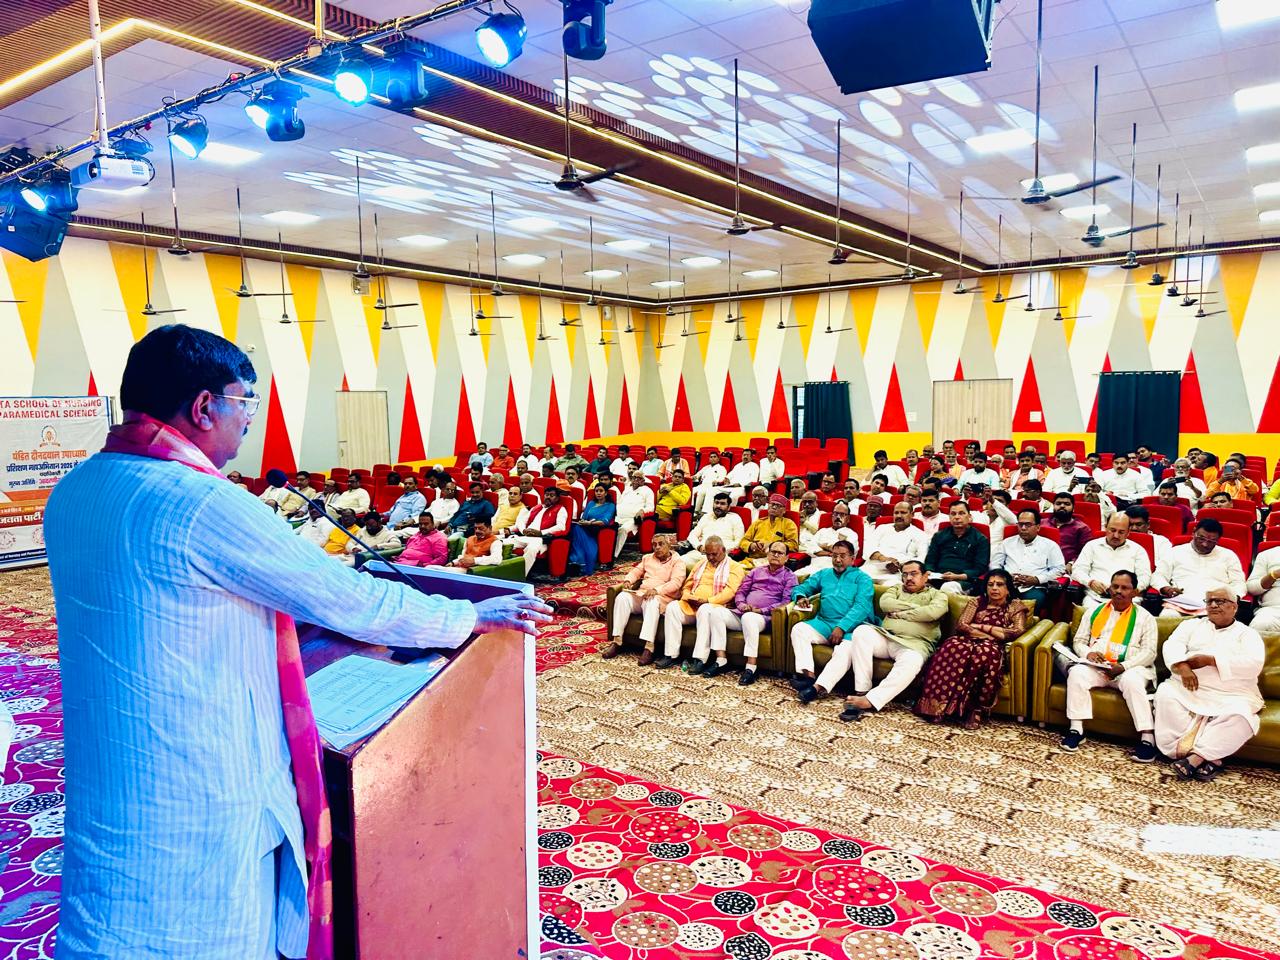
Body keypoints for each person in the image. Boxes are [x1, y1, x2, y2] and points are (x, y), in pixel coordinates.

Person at [42, 324, 551, 959]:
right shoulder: (198, 502)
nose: (249, 418)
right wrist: (463, 618)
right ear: (204, 407)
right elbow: (346, 597)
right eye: (245, 401)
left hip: (113, 767)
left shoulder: (78, 489)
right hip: (199, 787)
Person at [811, 560, 949, 720]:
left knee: (913, 661)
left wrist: (900, 613)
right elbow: (885, 604)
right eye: (905, 574)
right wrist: (917, 610)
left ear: (925, 576)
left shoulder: (938, 595)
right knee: (861, 631)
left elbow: (932, 613)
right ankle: (862, 690)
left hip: (914, 645)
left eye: (914, 574)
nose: (908, 578)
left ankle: (871, 700)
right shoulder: (896, 589)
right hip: (886, 636)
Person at [1155, 587, 1265, 780]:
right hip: (1188, 689)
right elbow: (1172, 645)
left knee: (1242, 717)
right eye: (1209, 601)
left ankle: (1196, 758)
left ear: (1234, 607)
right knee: (1165, 693)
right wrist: (1182, 666)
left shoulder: (1248, 634)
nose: (1213, 605)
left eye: (1220, 601)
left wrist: (1211, 660)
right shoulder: (1191, 625)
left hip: (1231, 694)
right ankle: (1210, 759)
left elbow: (1253, 664)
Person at [1059, 570, 1159, 760]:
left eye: (1125, 588)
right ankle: (1076, 729)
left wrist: (1124, 666)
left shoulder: (1145, 618)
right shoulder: (1094, 611)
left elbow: (1149, 653)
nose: (1119, 591)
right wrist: (1088, 653)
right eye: (1115, 586)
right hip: (1099, 667)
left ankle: (1147, 738)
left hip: (1129, 669)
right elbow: (1079, 641)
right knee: (1078, 672)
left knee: (1132, 681)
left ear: (1134, 592)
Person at [915, 569, 1027, 729]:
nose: (994, 588)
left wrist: (981, 627)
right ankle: (936, 706)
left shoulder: (1015, 606)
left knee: (983, 653)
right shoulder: (977, 602)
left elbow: (1015, 631)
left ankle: (974, 710)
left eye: (999, 584)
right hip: (967, 640)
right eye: (990, 585)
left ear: (1008, 588)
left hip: (992, 646)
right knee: (952, 646)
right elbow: (962, 625)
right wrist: (993, 633)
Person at [690, 541, 796, 683]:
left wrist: (760, 610)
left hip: (765, 618)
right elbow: (741, 591)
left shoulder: (790, 577)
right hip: (743, 613)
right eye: (773, 552)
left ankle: (751, 667)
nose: (776, 555)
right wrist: (741, 604)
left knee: (749, 618)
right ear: (767, 554)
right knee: (716, 613)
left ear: (787, 558)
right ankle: (721, 660)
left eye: (780, 553)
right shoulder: (756, 571)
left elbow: (786, 602)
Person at [790, 540, 874, 695]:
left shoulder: (863, 579)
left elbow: (862, 607)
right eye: (834, 556)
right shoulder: (824, 574)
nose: (838, 560)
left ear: (852, 558)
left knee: (846, 650)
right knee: (799, 629)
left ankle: (819, 687)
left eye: (842, 556)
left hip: (852, 629)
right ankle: (807, 676)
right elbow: (802, 587)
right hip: (824, 623)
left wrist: (841, 627)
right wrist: (800, 596)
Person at [660, 537, 744, 670]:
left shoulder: (735, 567)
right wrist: (688, 596)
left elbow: (730, 592)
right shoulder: (700, 564)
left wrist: (708, 601)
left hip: (715, 607)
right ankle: (671, 654)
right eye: (707, 554)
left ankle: (700, 659)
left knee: (705, 609)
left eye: (714, 554)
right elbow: (687, 585)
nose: (710, 558)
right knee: (672, 607)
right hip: (692, 605)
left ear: (723, 550)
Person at [602, 535, 687, 663]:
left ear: (669, 545)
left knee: (651, 601)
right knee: (622, 597)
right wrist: (628, 580)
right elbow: (636, 571)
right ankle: (617, 641)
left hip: (661, 597)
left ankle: (649, 648)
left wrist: (656, 590)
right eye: (654, 545)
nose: (657, 547)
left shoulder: (678, 562)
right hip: (642, 594)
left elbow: (676, 583)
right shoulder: (647, 558)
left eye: (661, 544)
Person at [1152, 518, 1245, 617]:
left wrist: (1231, 599)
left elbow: (1239, 583)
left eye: (1211, 541)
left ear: (1218, 540)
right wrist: (1166, 589)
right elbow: (1158, 576)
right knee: (1167, 616)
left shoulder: (1228, 555)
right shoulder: (1175, 552)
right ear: (1194, 532)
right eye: (1201, 538)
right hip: (1181, 601)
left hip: (1216, 604)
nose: (1205, 544)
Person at [1072, 514, 1152, 610]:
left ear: (1128, 532)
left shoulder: (1138, 550)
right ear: (1105, 527)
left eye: (1121, 532)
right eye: (1112, 530)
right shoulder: (1092, 546)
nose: (1116, 536)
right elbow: (1078, 570)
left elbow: (1145, 576)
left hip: (1128, 600)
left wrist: (1133, 590)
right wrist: (1090, 582)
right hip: (1095, 598)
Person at [993, 509, 1065, 608]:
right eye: (1020, 524)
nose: (1023, 528)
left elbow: (1059, 569)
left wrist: (1037, 579)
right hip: (1006, 584)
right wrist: (1005, 576)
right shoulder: (1007, 543)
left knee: (1033, 602)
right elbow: (995, 564)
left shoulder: (1050, 545)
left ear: (1038, 527)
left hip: (1034, 587)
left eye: (1028, 525)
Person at [925, 502, 989, 594]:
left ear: (969, 517)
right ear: (949, 517)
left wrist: (957, 576)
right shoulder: (939, 536)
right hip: (938, 577)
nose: (957, 517)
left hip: (964, 581)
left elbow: (980, 568)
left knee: (947, 588)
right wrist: (929, 572)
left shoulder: (980, 539)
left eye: (961, 513)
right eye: (953, 514)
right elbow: (930, 560)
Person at [508, 485, 570, 576]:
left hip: (540, 539)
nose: (548, 497)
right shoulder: (536, 508)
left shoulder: (560, 509)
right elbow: (521, 521)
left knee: (531, 549)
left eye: (552, 495)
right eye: (546, 495)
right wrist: (523, 530)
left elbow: (561, 527)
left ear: (557, 498)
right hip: (526, 536)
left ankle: (520, 576)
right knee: (502, 543)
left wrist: (541, 532)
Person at [862, 501, 928, 585]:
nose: (899, 516)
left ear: (912, 514)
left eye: (903, 513)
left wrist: (901, 566)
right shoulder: (882, 528)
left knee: (892, 587)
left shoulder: (920, 534)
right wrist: (884, 558)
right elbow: (868, 548)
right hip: (872, 567)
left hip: (896, 574)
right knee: (852, 579)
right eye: (896, 513)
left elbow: (923, 558)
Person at [681, 492, 746, 567]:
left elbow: (739, 542)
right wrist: (699, 546)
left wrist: (718, 550)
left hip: (721, 557)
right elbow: (692, 535)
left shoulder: (735, 518)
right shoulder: (706, 517)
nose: (718, 506)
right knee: (679, 562)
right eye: (716, 503)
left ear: (728, 507)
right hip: (701, 554)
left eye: (722, 504)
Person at [568, 484, 617, 576]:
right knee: (573, 526)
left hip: (596, 529)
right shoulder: (591, 503)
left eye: (601, 491)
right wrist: (583, 522)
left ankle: (580, 562)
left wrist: (590, 523)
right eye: (596, 491)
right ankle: (574, 561)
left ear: (606, 493)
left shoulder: (610, 505)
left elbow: (605, 521)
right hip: (585, 527)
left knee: (576, 530)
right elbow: (584, 517)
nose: (598, 493)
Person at [800, 500, 859, 575]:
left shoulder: (851, 534)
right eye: (835, 514)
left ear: (848, 518)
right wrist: (829, 553)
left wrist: (823, 546)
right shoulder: (822, 531)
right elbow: (810, 549)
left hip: (835, 570)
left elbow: (846, 553)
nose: (838, 517)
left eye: (842, 514)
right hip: (813, 567)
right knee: (794, 577)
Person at [739, 493, 799, 566]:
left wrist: (773, 545)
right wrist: (751, 545)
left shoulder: (788, 524)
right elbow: (743, 541)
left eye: (778, 505)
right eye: (772, 504)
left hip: (774, 561)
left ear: (784, 510)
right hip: (752, 560)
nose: (774, 507)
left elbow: (794, 545)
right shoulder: (758, 523)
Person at [614, 472, 655, 559]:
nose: (636, 479)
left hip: (632, 519)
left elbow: (651, 507)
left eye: (639, 478)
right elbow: (619, 502)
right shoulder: (627, 489)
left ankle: (614, 555)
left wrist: (642, 510)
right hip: (618, 517)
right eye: (634, 477)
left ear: (643, 481)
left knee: (623, 529)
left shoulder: (647, 490)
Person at [1045, 492, 1093, 566]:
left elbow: (1087, 552)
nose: (1062, 506)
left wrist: (1072, 563)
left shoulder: (1082, 528)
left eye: (1067, 504)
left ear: (1073, 508)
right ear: (1053, 506)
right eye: (1058, 503)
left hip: (1067, 567)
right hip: (1039, 564)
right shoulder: (1042, 523)